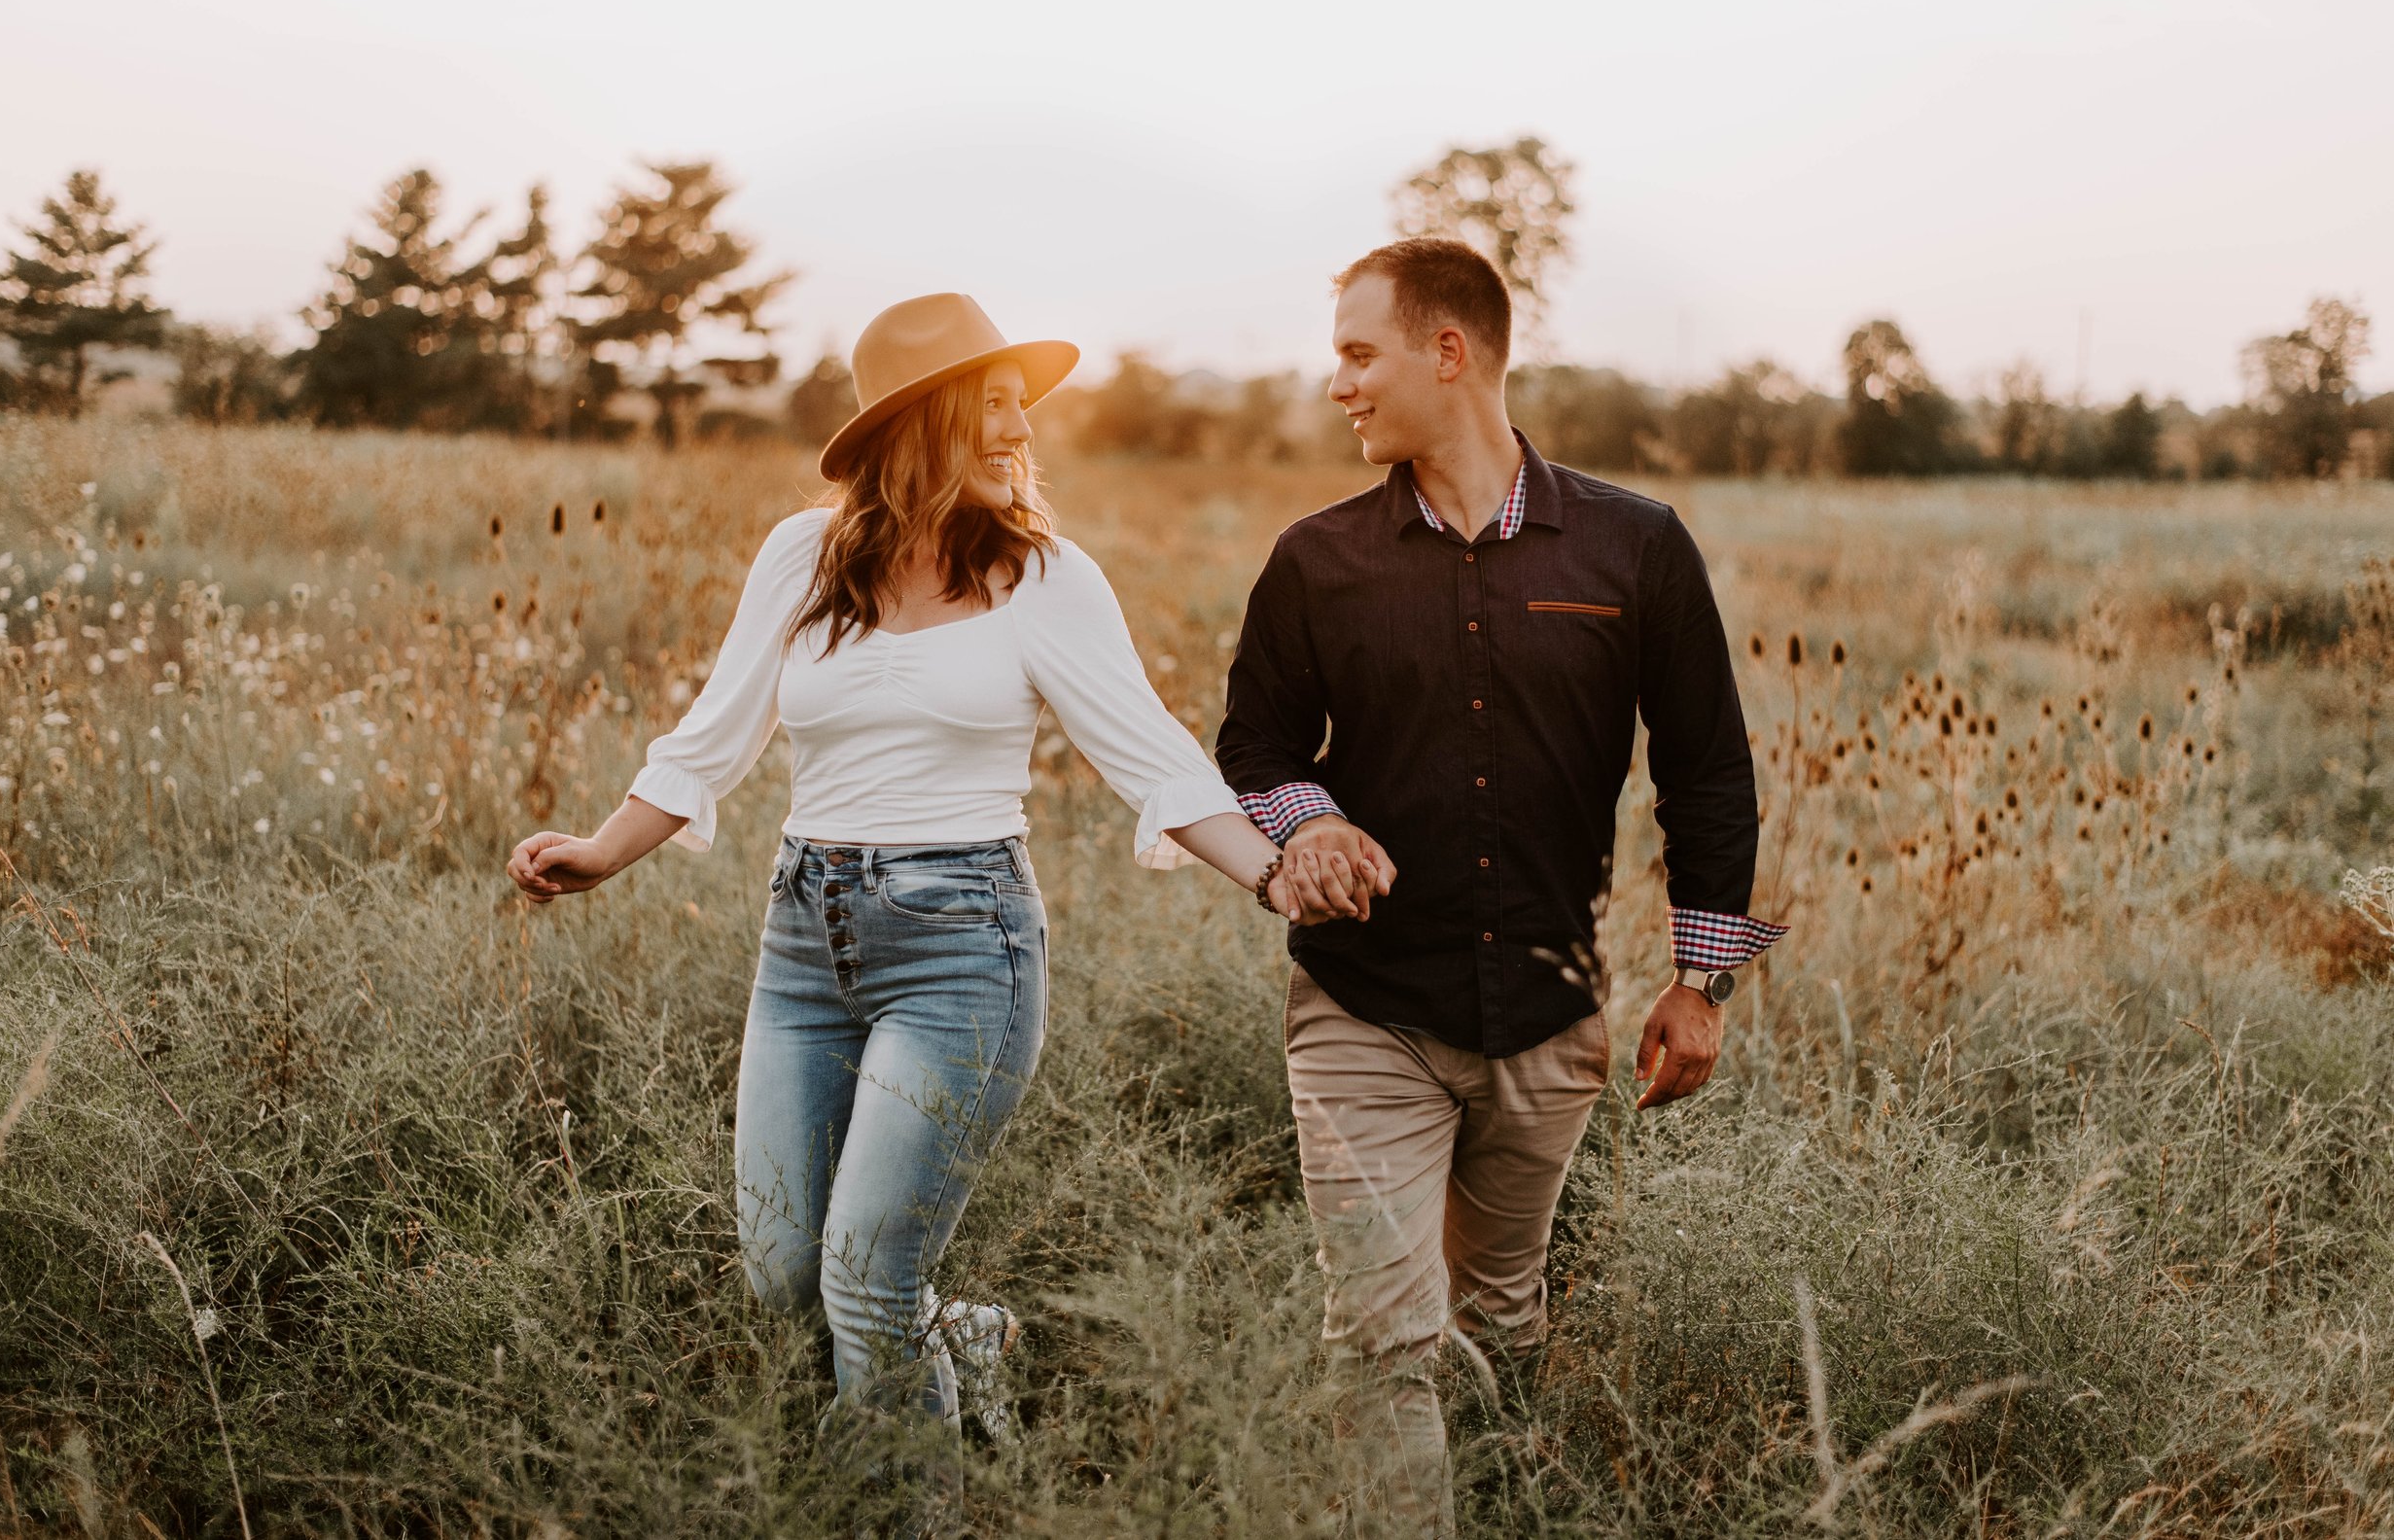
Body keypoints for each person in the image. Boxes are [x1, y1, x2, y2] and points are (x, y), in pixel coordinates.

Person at [506, 294, 1301, 1532]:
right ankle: (967, 1339)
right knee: (784, 1277)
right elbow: (714, 734)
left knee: (867, 1278)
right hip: (803, 937)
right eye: (986, 398)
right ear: (917, 420)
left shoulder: (1042, 574)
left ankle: (905, 1511)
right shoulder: (801, 556)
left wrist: (1269, 870)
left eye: (1016, 398)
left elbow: (1152, 756)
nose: (1014, 420)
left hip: (963, 951)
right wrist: (603, 850)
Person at [1215, 239, 1788, 1534]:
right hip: (1363, 1012)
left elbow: (1707, 771)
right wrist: (1312, 822)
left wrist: (1702, 984)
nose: (1340, 386)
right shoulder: (1316, 561)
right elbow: (1254, 747)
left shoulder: (1635, 548)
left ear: (1449, 353)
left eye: (1360, 355)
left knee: (1496, 1326)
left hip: (1550, 1020)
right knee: (1381, 1341)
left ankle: (1503, 1505)